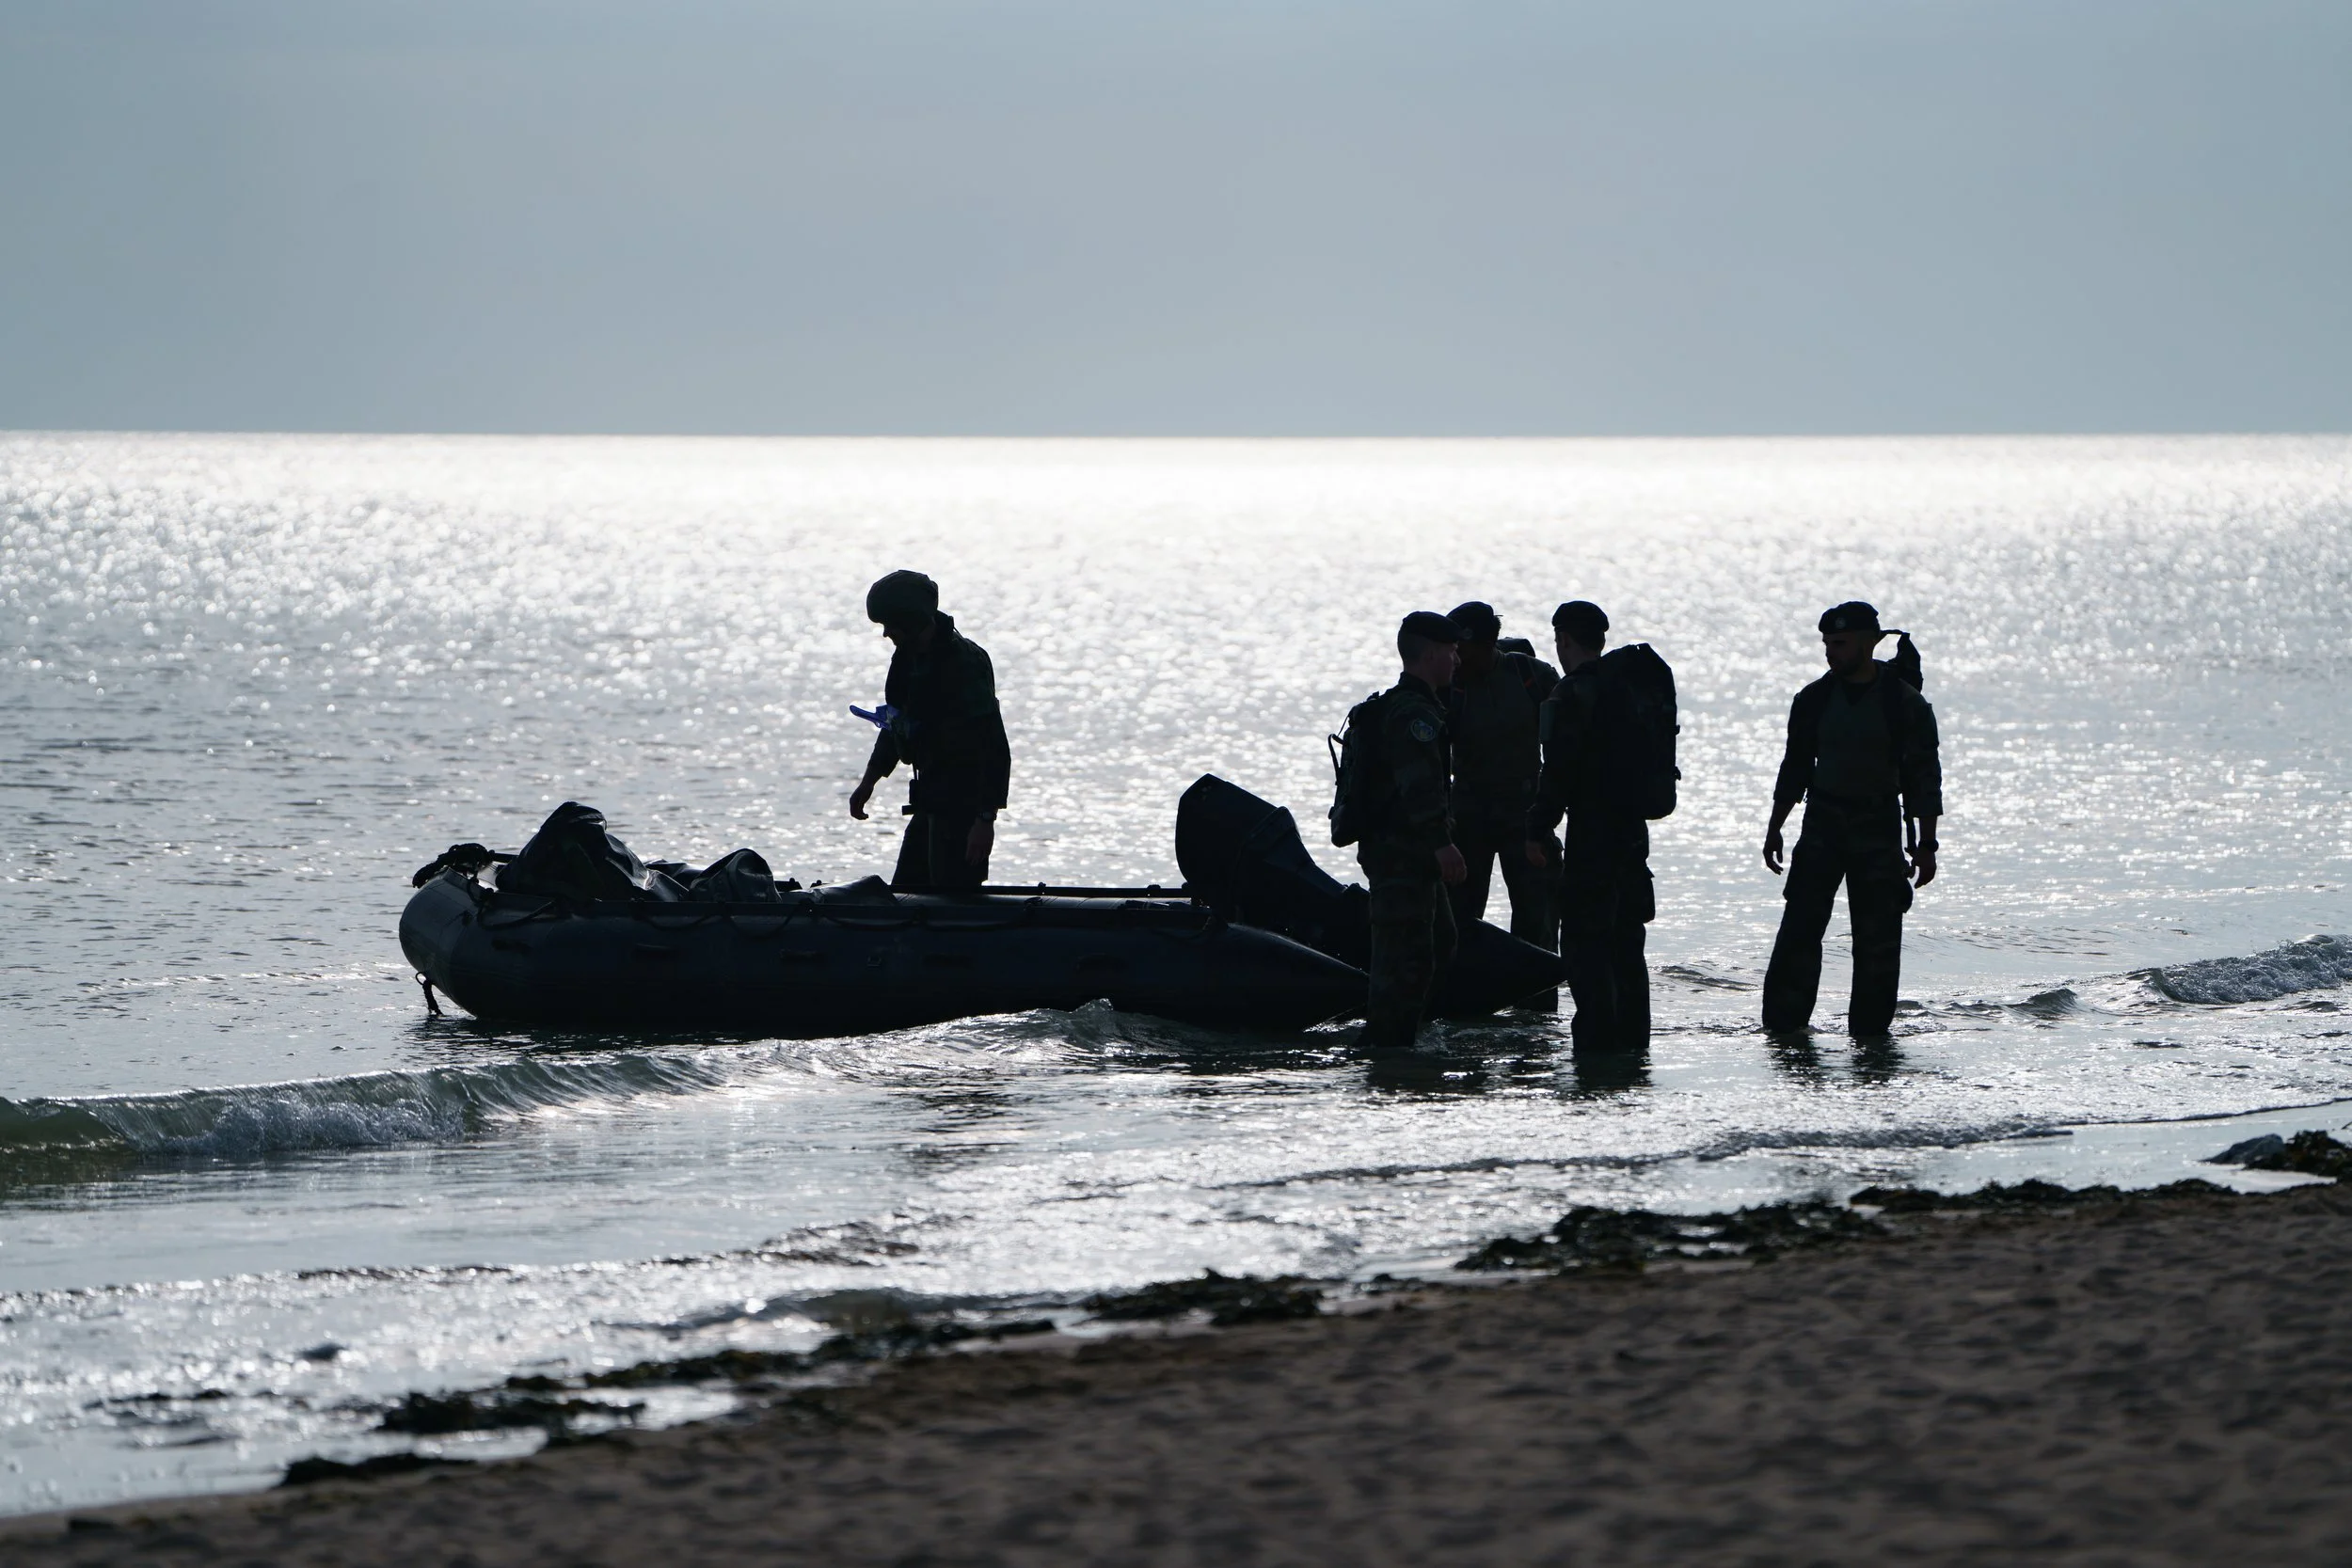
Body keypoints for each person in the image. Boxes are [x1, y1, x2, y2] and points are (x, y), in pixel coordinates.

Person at [1760, 601, 1942, 1037]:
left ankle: (1871, 1037)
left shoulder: (1905, 703)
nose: (1830, 652)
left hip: (1878, 827)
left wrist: (1927, 845)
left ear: (1869, 643)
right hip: (1822, 823)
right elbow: (1795, 768)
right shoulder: (1813, 699)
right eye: (1826, 644)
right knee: (1799, 931)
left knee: (1877, 941)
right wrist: (1774, 827)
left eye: (1839, 644)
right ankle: (1784, 1030)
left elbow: (1924, 779)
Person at [1522, 600, 1652, 1052]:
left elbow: (1556, 775)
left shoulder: (1571, 694)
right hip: (1634, 835)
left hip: (1591, 838)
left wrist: (1536, 830)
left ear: (1563, 640)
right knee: (1628, 948)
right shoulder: (1631, 688)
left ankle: (1595, 1051)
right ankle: (1635, 1050)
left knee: (1583, 946)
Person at [847, 570, 1013, 892]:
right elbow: (897, 725)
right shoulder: (908, 660)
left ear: (910, 620)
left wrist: (985, 820)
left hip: (964, 804)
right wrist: (868, 782)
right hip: (931, 798)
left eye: (890, 625)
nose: (886, 634)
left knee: (953, 896)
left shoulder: (964, 663)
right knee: (906, 890)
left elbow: (993, 744)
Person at [1357, 610, 1470, 1052]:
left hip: (1411, 854)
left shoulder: (1414, 706)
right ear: (1431, 655)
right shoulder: (1413, 714)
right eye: (1452, 652)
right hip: (1402, 854)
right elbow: (1418, 788)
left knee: (1438, 943)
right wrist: (1443, 844)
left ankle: (1403, 1043)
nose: (1457, 660)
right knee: (1402, 961)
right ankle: (1385, 1051)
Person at [1442, 601, 1559, 949]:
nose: (1457, 659)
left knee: (1536, 927)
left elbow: (1563, 754)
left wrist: (1549, 812)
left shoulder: (1534, 677)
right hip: (1467, 817)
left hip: (1525, 818)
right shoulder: (1447, 687)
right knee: (1458, 922)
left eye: (1463, 650)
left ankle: (1537, 1003)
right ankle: (1461, 1000)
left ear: (1486, 643)